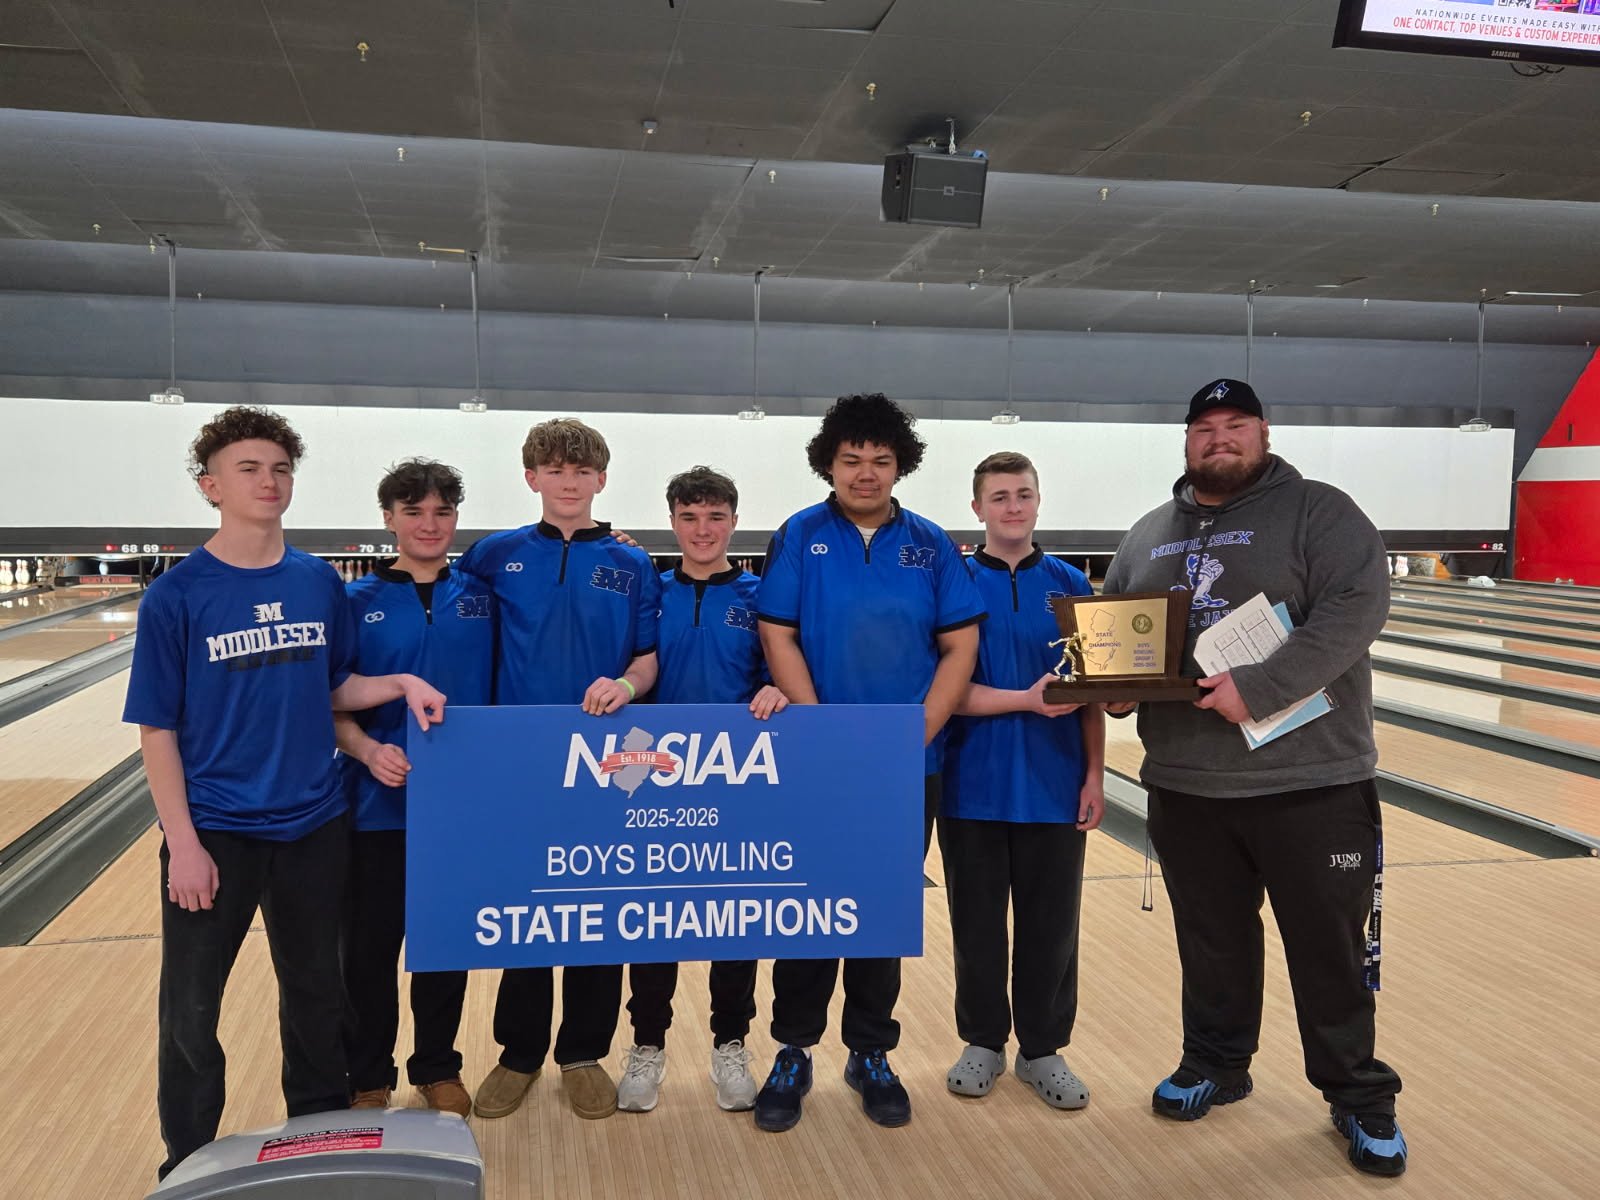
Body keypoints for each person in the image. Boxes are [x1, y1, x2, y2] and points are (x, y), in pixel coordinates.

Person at [122, 406, 446, 1180]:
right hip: (217, 832)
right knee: (192, 1014)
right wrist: (186, 846)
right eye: (249, 469)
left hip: (314, 823)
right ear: (210, 487)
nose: (269, 482)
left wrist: (399, 680)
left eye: (280, 469)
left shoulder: (315, 581)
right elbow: (156, 731)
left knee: (316, 1003)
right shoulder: (178, 596)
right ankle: (187, 1160)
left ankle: (321, 1142)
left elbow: (337, 686)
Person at [1101, 378, 1407, 1177]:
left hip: (1312, 783)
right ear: (1187, 440)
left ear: (1263, 433)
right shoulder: (1147, 535)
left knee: (1329, 951)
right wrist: (1116, 688)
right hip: (1187, 784)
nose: (1220, 439)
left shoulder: (1321, 511)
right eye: (1205, 427)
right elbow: (1116, 639)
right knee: (1209, 944)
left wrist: (1261, 687)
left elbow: (1357, 605)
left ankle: (1358, 1095)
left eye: (1236, 425)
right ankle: (1215, 1064)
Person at [754, 393, 985, 1132]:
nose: (866, 472)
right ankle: (793, 1049)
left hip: (903, 766)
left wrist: (919, 730)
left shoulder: (930, 543)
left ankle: (870, 1051)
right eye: (852, 459)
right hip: (817, 763)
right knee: (807, 908)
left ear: (900, 466)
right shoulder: (800, 534)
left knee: (879, 912)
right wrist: (822, 735)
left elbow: (960, 646)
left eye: (881, 460)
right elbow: (776, 633)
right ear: (829, 462)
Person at [453, 418, 660, 1122]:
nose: (568, 481)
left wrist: (627, 687)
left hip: (608, 765)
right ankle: (519, 1052)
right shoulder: (492, 556)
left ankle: (582, 1052)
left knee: (599, 913)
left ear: (600, 479)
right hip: (520, 768)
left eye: (581, 471)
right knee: (530, 912)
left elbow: (647, 658)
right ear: (531, 477)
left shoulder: (634, 565)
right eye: (554, 469)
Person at [616, 466, 788, 1116]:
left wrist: (778, 688)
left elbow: (783, 672)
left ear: (733, 522)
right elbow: (635, 667)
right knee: (654, 921)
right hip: (656, 780)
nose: (703, 529)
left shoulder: (761, 596)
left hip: (735, 779)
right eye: (690, 517)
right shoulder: (648, 593)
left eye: (715, 517)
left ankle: (731, 1043)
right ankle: (647, 1046)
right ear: (673, 522)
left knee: (733, 919)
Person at [939, 451, 1106, 1111]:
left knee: (1051, 926)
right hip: (969, 783)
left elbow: (1093, 694)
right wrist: (1026, 701)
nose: (1013, 506)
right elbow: (942, 691)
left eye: (1024, 495)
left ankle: (1043, 1050)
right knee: (976, 923)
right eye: (1000, 496)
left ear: (1038, 502)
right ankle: (983, 1040)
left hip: (1054, 782)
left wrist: (1094, 773)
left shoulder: (1071, 585)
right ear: (977, 507)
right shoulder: (952, 582)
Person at [334, 459, 494, 1118]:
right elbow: (326, 698)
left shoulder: (485, 594)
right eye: (413, 511)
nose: (428, 524)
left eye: (441, 512)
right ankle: (369, 1072)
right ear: (389, 519)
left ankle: (437, 1065)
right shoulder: (353, 602)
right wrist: (369, 750)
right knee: (369, 953)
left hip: (457, 810)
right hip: (374, 808)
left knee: (442, 945)